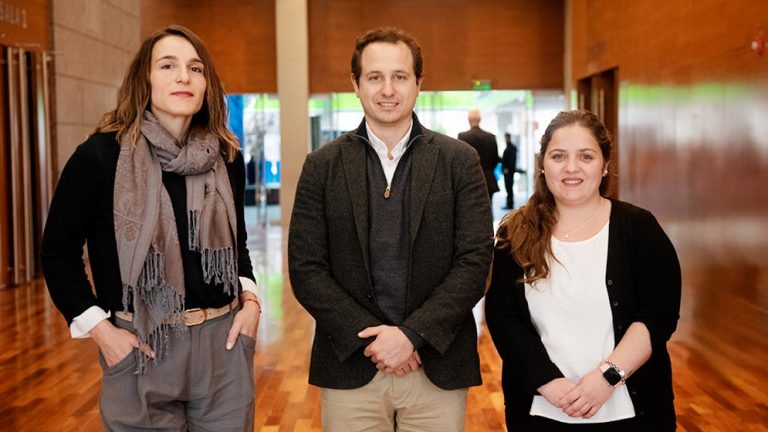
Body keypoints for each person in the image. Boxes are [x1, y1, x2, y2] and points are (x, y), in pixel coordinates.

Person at [41, 25, 261, 431]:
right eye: (168, 65)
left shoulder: (226, 156)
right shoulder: (99, 157)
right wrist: (102, 332)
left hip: (222, 344)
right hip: (140, 345)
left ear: (206, 84)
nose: (184, 76)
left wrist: (252, 302)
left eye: (196, 68)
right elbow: (57, 252)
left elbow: (237, 245)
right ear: (144, 79)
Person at [288, 27, 493, 431]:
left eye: (399, 76)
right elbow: (306, 267)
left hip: (436, 363)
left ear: (418, 83)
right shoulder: (322, 166)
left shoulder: (459, 161)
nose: (387, 89)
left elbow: (475, 262)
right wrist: (376, 342)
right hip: (351, 365)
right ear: (356, 85)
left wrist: (412, 335)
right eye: (374, 77)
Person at [485, 110, 681, 431]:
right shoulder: (515, 232)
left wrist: (607, 378)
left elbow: (658, 315)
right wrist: (546, 382)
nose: (571, 168)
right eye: (558, 156)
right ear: (542, 164)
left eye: (585, 156)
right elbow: (503, 318)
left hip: (632, 411)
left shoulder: (638, 228)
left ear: (604, 165)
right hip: (541, 410)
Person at [458, 109, 501, 201]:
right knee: (488, 207)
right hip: (488, 178)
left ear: (469, 120)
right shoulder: (491, 137)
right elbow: (496, 159)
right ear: (480, 120)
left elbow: (460, 161)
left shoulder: (463, 137)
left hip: (468, 180)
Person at [501, 132, 518, 209]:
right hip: (507, 171)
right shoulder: (508, 147)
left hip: (509, 171)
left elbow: (511, 160)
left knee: (509, 187)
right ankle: (509, 203)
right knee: (508, 187)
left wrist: (507, 168)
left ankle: (510, 204)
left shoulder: (511, 148)